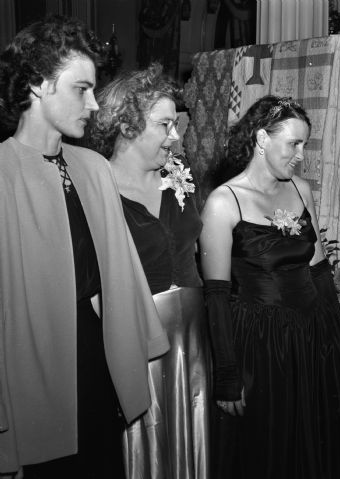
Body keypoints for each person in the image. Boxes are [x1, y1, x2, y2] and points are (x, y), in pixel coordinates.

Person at [0, 15, 169, 478]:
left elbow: (122, 272)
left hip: (96, 357)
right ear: (36, 84)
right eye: (81, 89)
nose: (94, 104)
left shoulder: (92, 166)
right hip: (30, 369)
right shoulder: (2, 173)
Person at [200, 95, 340, 478]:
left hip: (309, 334)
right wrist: (227, 373)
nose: (301, 155)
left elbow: (319, 268)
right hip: (260, 342)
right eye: (294, 144)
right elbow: (216, 295)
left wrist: (335, 337)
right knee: (268, 449)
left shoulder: (301, 189)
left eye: (305, 144)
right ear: (261, 139)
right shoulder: (224, 202)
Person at [88, 63, 210, 479]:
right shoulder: (95, 188)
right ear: (126, 125)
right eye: (165, 125)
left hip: (192, 336)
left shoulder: (178, 173)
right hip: (135, 340)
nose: (175, 136)